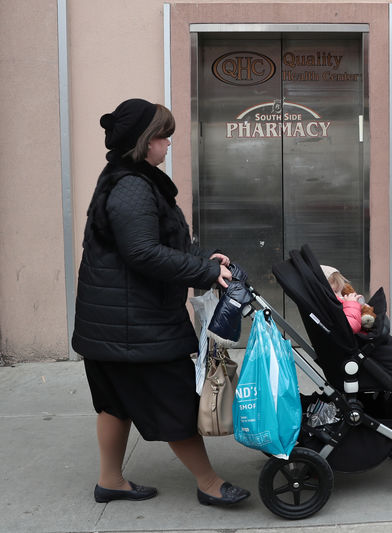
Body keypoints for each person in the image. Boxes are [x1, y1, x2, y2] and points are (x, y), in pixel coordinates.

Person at [72, 98, 250, 506]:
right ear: (143, 141)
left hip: (112, 323)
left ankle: (110, 480)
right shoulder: (132, 186)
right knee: (173, 402)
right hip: (136, 327)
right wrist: (204, 273)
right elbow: (142, 252)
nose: (169, 143)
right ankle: (208, 484)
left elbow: (145, 247)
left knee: (115, 404)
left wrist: (200, 261)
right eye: (162, 136)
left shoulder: (125, 180)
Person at [320, 264, 364, 334]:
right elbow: (350, 327)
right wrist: (352, 304)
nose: (341, 296)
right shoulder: (329, 308)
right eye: (336, 292)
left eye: (341, 291)